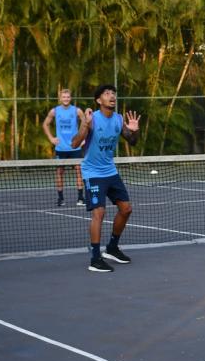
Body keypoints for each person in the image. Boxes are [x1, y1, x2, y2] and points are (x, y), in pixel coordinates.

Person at [70, 85, 140, 272]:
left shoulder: (118, 119)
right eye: (107, 94)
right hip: (93, 173)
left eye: (114, 94)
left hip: (110, 171)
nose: (112, 96)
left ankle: (112, 248)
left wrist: (134, 130)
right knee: (99, 213)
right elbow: (75, 143)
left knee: (126, 209)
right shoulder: (92, 120)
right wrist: (85, 124)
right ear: (99, 100)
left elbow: (132, 141)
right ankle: (95, 258)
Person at [42, 89, 86, 206]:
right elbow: (45, 124)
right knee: (60, 173)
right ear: (60, 98)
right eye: (64, 97)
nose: (66, 99)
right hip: (60, 149)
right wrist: (51, 138)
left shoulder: (77, 111)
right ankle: (61, 198)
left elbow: (85, 122)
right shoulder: (54, 111)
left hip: (75, 148)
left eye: (68, 97)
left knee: (79, 172)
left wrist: (82, 138)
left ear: (70, 98)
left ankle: (80, 198)